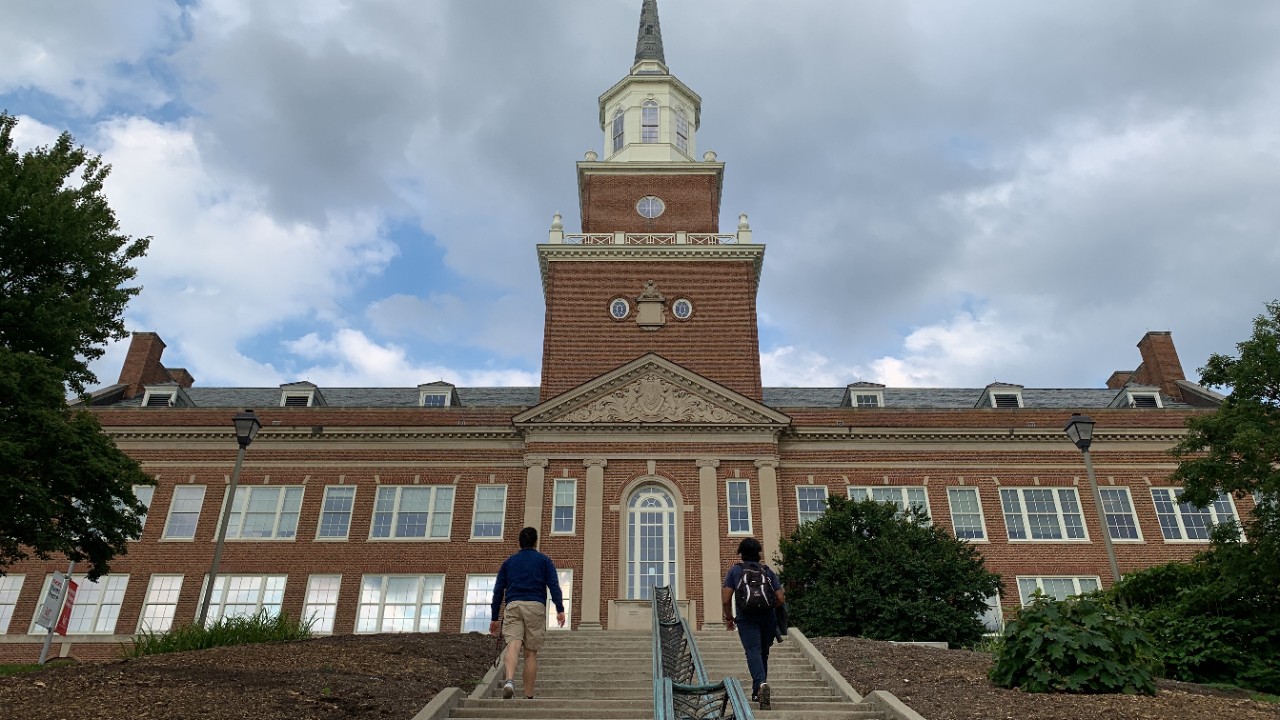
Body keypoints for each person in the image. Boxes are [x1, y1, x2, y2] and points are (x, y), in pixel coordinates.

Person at [490, 526, 565, 700]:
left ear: (519, 542)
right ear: (536, 542)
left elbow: (498, 590)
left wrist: (494, 617)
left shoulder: (509, 562)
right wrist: (559, 609)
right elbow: (554, 586)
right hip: (535, 605)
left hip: (514, 604)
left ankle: (509, 681)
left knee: (513, 645)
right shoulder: (544, 561)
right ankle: (528, 695)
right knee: (530, 653)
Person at [722, 536, 785, 711]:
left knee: (752, 651)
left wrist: (729, 619)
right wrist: (769, 608)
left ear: (741, 554)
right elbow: (780, 598)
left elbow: (726, 600)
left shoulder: (735, 571)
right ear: (758, 553)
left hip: (746, 617)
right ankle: (759, 688)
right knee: (763, 653)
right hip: (767, 617)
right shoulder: (767, 571)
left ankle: (760, 685)